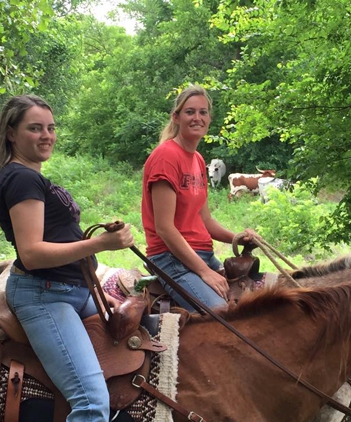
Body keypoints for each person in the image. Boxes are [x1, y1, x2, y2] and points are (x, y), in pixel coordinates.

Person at [0, 94, 134, 421]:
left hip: (69, 289)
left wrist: (97, 294)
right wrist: (101, 244)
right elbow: (31, 254)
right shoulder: (21, 178)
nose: (47, 135)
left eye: (51, 127)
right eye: (35, 128)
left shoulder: (30, 175)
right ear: (11, 134)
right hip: (45, 294)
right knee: (91, 403)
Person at [141, 85, 259, 311]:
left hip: (203, 255)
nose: (197, 118)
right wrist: (205, 272)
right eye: (190, 112)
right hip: (171, 259)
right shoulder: (166, 157)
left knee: (261, 303)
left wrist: (239, 238)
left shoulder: (197, 160)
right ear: (176, 117)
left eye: (203, 112)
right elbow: (164, 228)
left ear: (209, 118)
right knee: (225, 319)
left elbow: (205, 221)